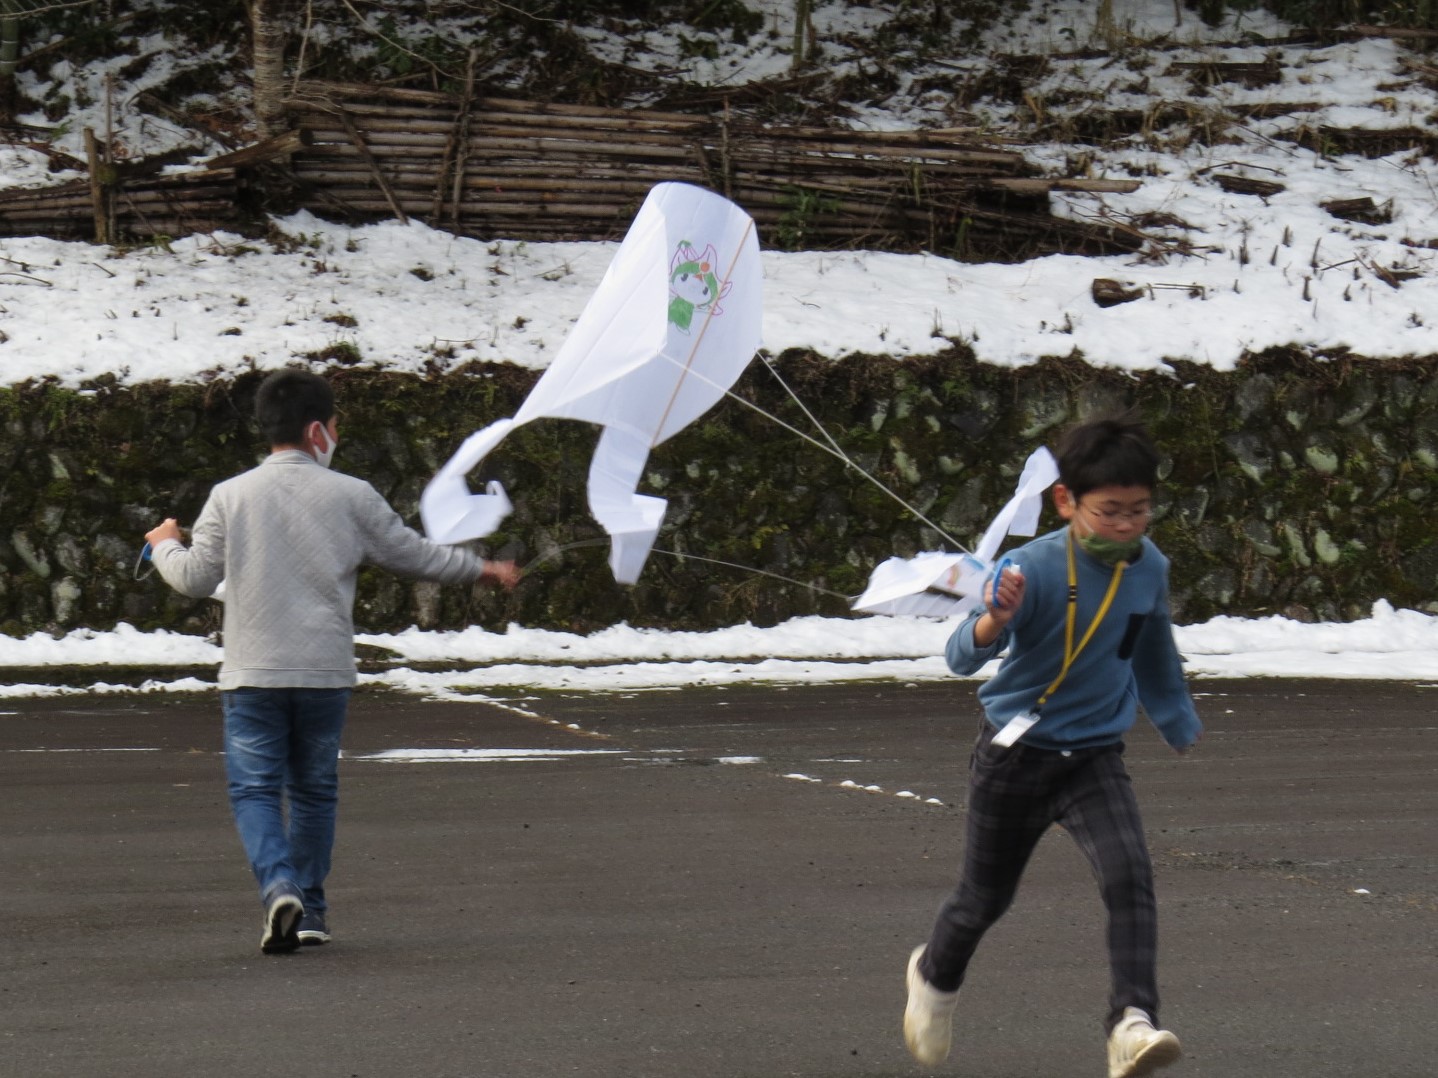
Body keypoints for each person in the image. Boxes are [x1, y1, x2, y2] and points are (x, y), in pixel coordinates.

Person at [145, 369, 519, 955]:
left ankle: (278, 888)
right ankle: (312, 909)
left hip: (253, 675)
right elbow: (413, 555)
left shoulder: (230, 495)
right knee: (315, 791)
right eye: (336, 426)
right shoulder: (352, 495)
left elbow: (194, 579)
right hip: (324, 674)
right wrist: (483, 568)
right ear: (317, 430)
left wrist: (163, 541)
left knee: (256, 792)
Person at [903, 414, 1201, 1078]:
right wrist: (992, 619)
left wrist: (1175, 719)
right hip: (1016, 757)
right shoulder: (1027, 568)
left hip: (1094, 756)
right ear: (1066, 501)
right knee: (984, 899)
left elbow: (1151, 649)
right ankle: (933, 976)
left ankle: (1132, 1023)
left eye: (1139, 511)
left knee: (1129, 876)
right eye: (1110, 512)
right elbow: (958, 657)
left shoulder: (1149, 567)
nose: (1127, 526)